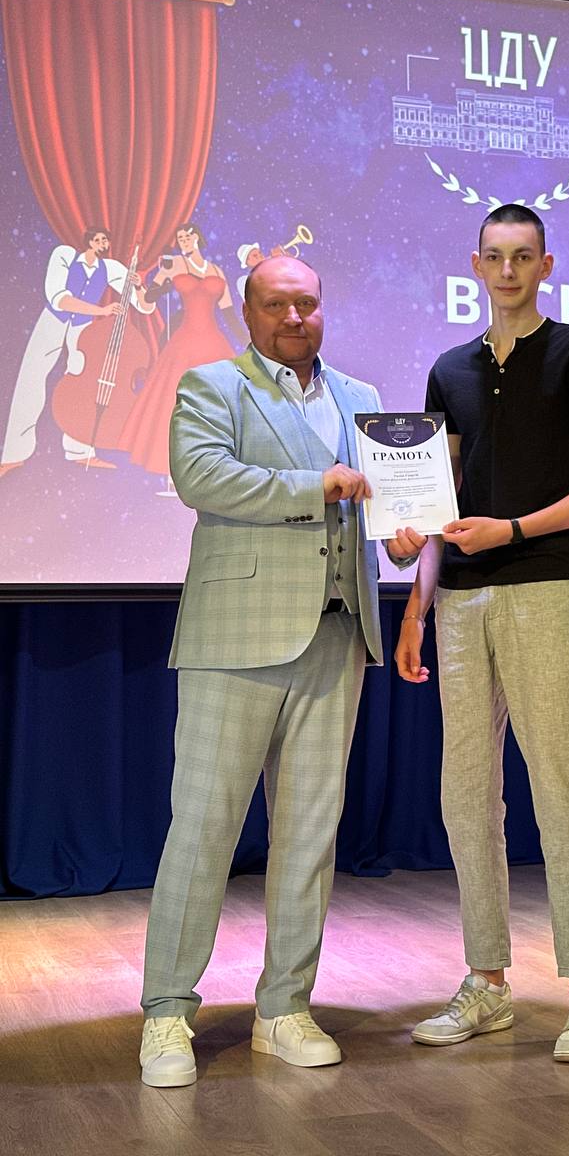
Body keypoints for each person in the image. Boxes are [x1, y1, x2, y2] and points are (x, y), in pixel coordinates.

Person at [139, 255, 424, 1087]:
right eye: (276, 304)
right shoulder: (212, 385)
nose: (294, 317)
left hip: (337, 637)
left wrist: (403, 536)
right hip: (236, 635)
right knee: (203, 829)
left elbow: (383, 508)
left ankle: (284, 1007)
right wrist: (317, 484)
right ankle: (166, 1013)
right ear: (248, 311)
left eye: (307, 303)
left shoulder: (362, 398)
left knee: (309, 835)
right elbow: (201, 477)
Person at [395, 204, 569, 1063]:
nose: (507, 271)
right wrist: (415, 607)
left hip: (546, 591)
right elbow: (434, 504)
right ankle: (487, 981)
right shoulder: (448, 370)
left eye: (523, 256)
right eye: (494, 256)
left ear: (545, 265)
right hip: (460, 605)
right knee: (466, 797)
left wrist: (515, 530)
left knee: (565, 792)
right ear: (475, 264)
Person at [0, 227, 151, 476]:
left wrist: (139, 286)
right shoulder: (64, 255)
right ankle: (14, 455)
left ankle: (80, 451)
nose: (103, 243)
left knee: (82, 386)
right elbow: (59, 299)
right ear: (89, 241)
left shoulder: (111, 268)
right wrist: (102, 311)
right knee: (31, 378)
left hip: (82, 327)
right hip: (53, 321)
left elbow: (144, 307)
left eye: (106, 240)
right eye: (99, 239)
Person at [120, 222, 247, 477]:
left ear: (197, 237)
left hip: (213, 342)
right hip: (184, 342)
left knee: (219, 401)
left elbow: (228, 313)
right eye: (179, 238)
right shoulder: (174, 265)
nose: (183, 241)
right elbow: (149, 298)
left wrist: (248, 340)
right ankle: (173, 465)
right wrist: (142, 285)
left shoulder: (216, 271)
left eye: (187, 236)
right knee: (173, 400)